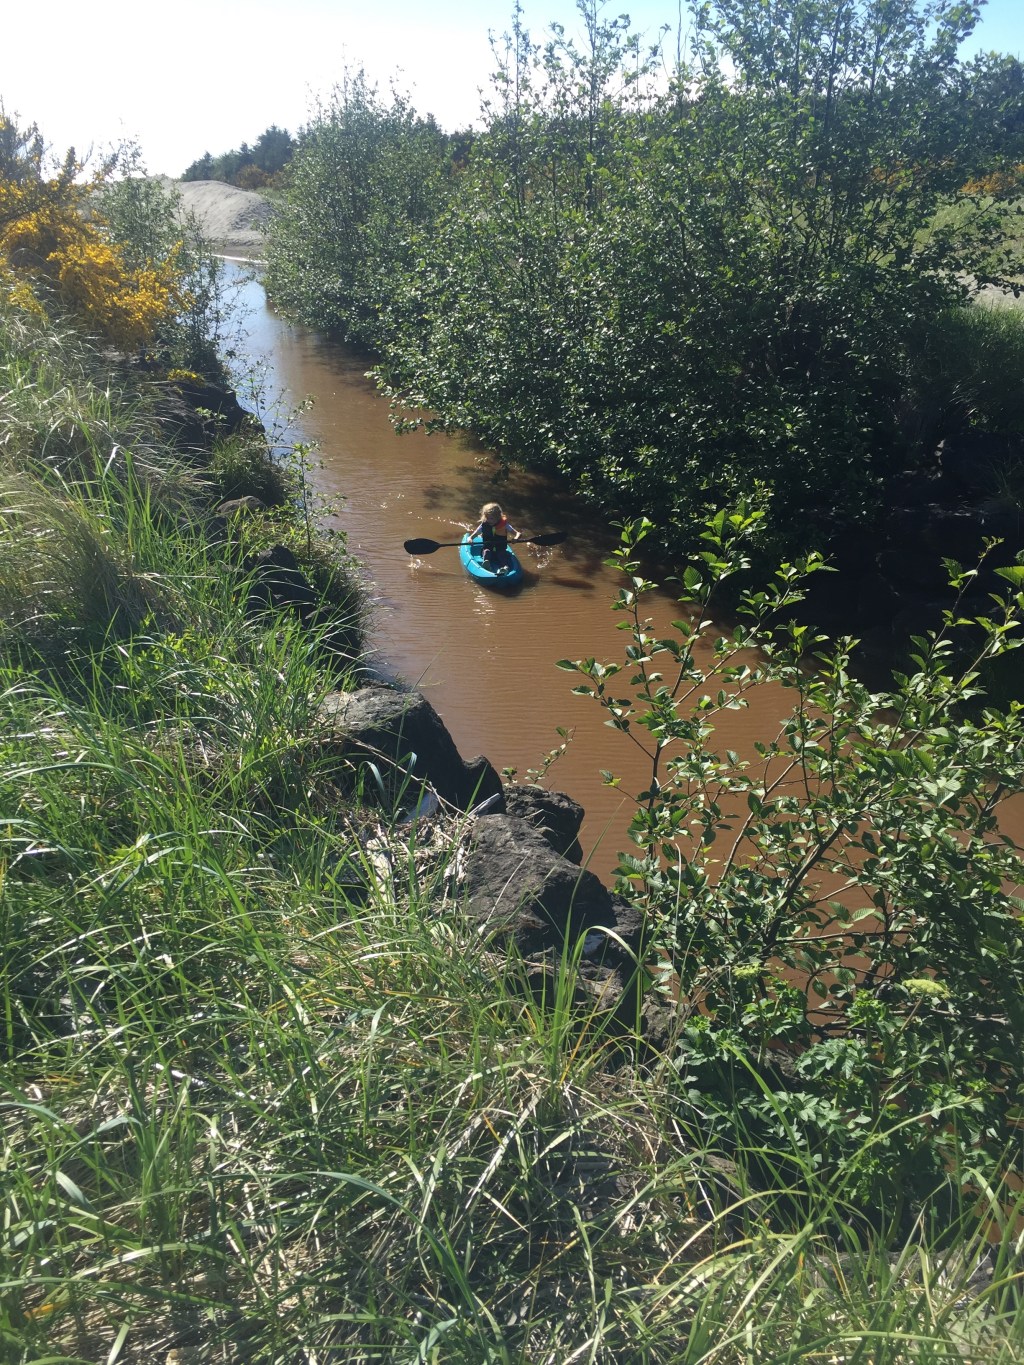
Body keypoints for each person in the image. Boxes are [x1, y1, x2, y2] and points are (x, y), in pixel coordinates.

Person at [470, 501, 521, 574]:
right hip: (488, 548)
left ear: (498, 517)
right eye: (487, 518)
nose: (489, 520)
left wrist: (516, 538)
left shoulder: (504, 525)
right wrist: (470, 538)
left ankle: (505, 567)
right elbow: (476, 533)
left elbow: (518, 533)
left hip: (500, 548)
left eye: (491, 518)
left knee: (501, 554)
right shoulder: (484, 524)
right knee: (486, 551)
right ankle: (486, 563)